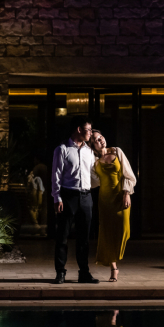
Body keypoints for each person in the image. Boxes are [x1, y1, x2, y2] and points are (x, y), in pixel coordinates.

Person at [51, 116, 100, 285]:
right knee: (62, 236)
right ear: (79, 130)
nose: (91, 133)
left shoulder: (89, 151)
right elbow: (56, 175)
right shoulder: (62, 149)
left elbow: (94, 174)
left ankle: (84, 273)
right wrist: (57, 197)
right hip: (68, 196)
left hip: (86, 197)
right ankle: (60, 272)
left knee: (84, 238)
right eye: (88, 130)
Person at [90, 130, 137, 282]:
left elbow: (128, 175)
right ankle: (113, 268)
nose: (101, 140)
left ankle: (115, 259)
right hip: (104, 200)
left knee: (124, 230)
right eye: (96, 140)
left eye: (101, 137)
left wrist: (126, 193)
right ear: (93, 146)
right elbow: (93, 182)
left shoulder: (117, 151)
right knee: (107, 233)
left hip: (120, 197)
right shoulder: (94, 162)